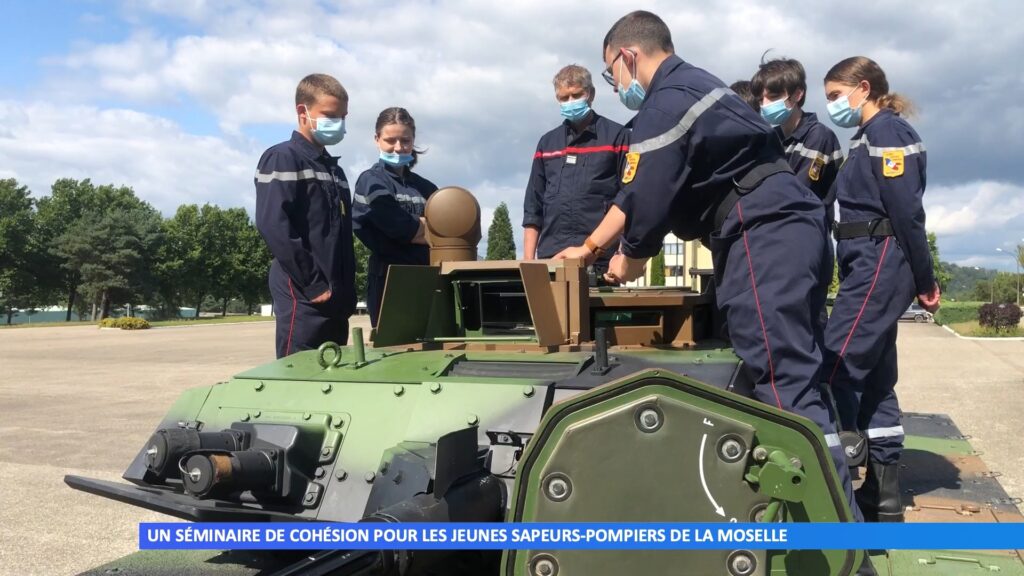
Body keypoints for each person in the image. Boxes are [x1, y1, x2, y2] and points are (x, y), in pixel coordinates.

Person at [554, 10, 864, 527]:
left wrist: (630, 254)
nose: (615, 87)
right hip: (783, 226)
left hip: (763, 233)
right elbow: (635, 191)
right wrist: (587, 249)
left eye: (612, 74)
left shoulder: (666, 103)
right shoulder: (698, 89)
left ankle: (835, 544)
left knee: (784, 383)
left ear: (627, 56)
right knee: (795, 376)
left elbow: (647, 199)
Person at [822, 56, 940, 523]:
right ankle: (883, 496)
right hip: (865, 260)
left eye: (835, 95)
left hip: (879, 259)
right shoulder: (868, 138)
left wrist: (924, 279)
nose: (832, 104)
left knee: (835, 367)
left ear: (863, 88)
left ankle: (836, 490)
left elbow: (907, 213)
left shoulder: (888, 133)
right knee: (874, 376)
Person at [255, 73, 356, 358]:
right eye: (330, 115)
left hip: (335, 298)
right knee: (298, 377)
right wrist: (313, 284)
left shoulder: (334, 171)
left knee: (333, 379)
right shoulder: (282, 158)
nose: (338, 124)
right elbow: (273, 224)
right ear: (303, 111)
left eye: (343, 117)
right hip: (305, 294)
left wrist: (345, 292)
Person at [523, 65, 627, 273]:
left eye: (576, 95)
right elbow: (533, 207)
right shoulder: (547, 144)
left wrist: (622, 255)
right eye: (563, 98)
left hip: (600, 260)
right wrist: (528, 263)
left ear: (591, 94)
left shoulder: (618, 137)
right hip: (551, 259)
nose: (570, 102)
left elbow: (629, 201)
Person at [353, 107, 436, 327]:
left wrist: (414, 230)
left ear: (413, 140)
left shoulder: (426, 187)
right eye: (390, 140)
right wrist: (426, 230)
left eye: (405, 140)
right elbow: (396, 226)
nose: (398, 148)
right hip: (388, 282)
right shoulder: (371, 182)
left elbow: (448, 229)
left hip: (427, 279)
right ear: (377, 139)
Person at [750, 57, 843, 216]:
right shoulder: (770, 139)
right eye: (760, 99)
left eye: (773, 96)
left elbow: (796, 192)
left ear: (797, 94)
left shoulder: (819, 136)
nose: (765, 104)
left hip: (807, 230)